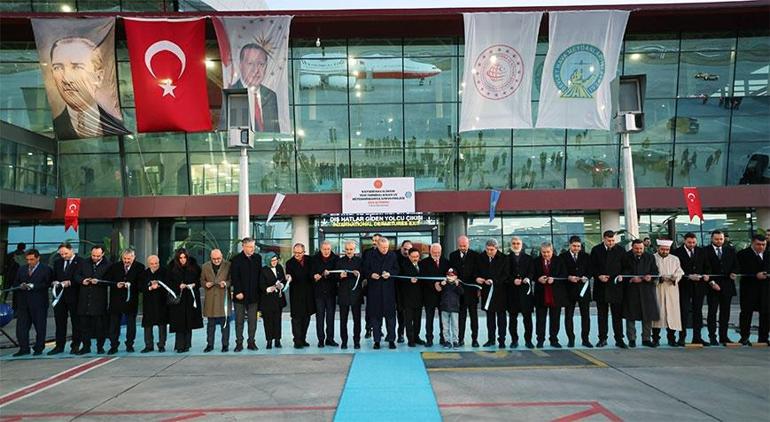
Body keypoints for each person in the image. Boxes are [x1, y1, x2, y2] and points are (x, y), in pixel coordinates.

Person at [49, 37, 127, 139]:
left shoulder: (116, 124)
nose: (66, 79)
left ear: (98, 77)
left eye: (77, 67)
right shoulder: (52, 127)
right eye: (58, 68)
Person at [673, 232, 712, 346]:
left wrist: (706, 275)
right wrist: (688, 276)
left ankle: (697, 337)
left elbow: (707, 266)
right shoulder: (677, 252)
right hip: (684, 286)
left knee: (698, 312)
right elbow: (676, 270)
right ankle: (682, 337)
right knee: (683, 312)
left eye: (694, 242)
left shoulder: (701, 251)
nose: (692, 244)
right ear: (684, 241)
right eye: (689, 242)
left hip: (699, 287)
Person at [12, 249, 52, 357]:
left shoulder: (46, 269)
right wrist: (21, 285)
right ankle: (24, 348)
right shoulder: (22, 269)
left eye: (32, 259)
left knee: (40, 327)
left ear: (38, 258)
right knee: (21, 327)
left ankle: (39, 348)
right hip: (23, 303)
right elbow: (16, 282)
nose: (29, 262)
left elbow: (48, 284)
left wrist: (34, 286)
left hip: (39, 303)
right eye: (27, 260)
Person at [362, 236, 400, 349]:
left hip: (389, 291)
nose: (385, 249)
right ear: (377, 246)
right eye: (383, 247)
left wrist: (390, 274)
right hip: (374, 290)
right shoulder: (369, 255)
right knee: (375, 317)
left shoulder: (392, 255)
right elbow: (364, 269)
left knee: (391, 318)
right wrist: (370, 275)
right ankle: (377, 340)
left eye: (387, 247)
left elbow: (397, 270)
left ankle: (391, 339)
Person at [591, 230, 627, 348]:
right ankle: (602, 339)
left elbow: (626, 267)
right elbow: (592, 267)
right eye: (609, 240)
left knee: (617, 316)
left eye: (613, 240)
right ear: (604, 239)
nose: (611, 243)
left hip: (616, 287)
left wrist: (621, 276)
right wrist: (598, 276)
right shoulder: (596, 250)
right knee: (602, 316)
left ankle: (619, 339)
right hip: (601, 287)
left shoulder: (621, 250)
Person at [231, 43, 279, 132]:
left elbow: (275, 131)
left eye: (261, 64)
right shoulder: (231, 94)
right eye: (250, 63)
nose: (256, 70)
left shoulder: (271, 95)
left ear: (266, 66)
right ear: (240, 65)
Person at [622, 239, 660, 348]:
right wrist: (632, 278)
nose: (639, 251)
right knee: (631, 316)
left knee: (647, 315)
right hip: (631, 289)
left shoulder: (650, 257)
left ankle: (646, 339)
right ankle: (632, 339)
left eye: (641, 249)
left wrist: (649, 277)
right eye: (636, 248)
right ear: (632, 247)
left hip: (646, 289)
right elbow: (623, 271)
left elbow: (655, 272)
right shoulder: (626, 256)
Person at [704, 230, 739, 345]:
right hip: (712, 286)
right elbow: (705, 268)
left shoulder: (730, 250)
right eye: (716, 239)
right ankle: (712, 337)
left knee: (725, 313)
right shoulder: (705, 251)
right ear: (712, 239)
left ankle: (724, 336)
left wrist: (734, 272)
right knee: (712, 313)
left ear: (724, 239)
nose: (719, 241)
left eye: (721, 239)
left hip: (727, 286)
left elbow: (736, 265)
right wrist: (712, 283)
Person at [106, 249, 144, 354]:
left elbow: (141, 284)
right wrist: (116, 284)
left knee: (131, 325)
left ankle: (130, 345)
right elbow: (108, 280)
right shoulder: (115, 267)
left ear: (133, 257)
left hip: (131, 301)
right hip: (116, 301)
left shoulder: (140, 267)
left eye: (129, 259)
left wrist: (131, 285)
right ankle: (113, 346)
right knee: (114, 325)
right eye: (124, 259)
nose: (126, 261)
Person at [49, 242, 83, 355]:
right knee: (60, 322)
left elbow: (82, 278)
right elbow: (53, 276)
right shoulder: (57, 263)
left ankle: (75, 345)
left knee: (76, 322)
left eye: (65, 253)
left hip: (74, 296)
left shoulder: (81, 261)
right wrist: (54, 282)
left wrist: (71, 282)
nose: (64, 256)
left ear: (71, 250)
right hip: (60, 297)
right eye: (61, 254)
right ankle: (59, 346)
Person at [75, 246, 111, 354]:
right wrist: (82, 280)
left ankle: (100, 347)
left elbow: (110, 280)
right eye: (93, 255)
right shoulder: (84, 262)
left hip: (98, 300)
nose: (95, 257)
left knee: (100, 326)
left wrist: (99, 281)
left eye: (98, 256)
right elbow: (76, 275)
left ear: (103, 254)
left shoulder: (108, 265)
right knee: (84, 325)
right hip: (84, 299)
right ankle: (86, 347)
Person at [559, 236, 593, 348]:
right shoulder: (562, 257)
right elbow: (561, 271)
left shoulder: (586, 256)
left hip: (583, 290)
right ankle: (571, 339)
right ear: (569, 245)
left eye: (578, 246)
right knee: (569, 316)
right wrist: (568, 277)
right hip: (569, 290)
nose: (576, 248)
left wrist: (586, 276)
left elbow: (590, 270)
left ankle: (585, 339)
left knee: (585, 316)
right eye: (574, 246)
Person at [533, 242, 568, 348]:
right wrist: (538, 279)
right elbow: (532, 274)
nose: (546, 254)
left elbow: (564, 275)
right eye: (543, 252)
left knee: (555, 319)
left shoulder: (559, 261)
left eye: (548, 252)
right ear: (540, 251)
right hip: (541, 294)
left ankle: (554, 339)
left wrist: (554, 279)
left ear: (552, 251)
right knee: (540, 319)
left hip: (556, 295)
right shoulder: (535, 261)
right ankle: (540, 340)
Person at [167, 248, 203, 353]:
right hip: (178, 298)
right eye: (180, 258)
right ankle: (179, 345)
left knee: (189, 321)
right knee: (179, 322)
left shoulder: (194, 266)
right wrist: (178, 286)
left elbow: (200, 279)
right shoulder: (171, 267)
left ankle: (187, 345)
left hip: (190, 297)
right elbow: (168, 281)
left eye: (184, 257)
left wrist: (194, 284)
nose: (183, 260)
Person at [736, 234, 769, 346]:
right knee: (746, 313)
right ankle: (744, 337)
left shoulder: (768, 254)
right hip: (749, 289)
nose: (761, 247)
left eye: (763, 245)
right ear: (752, 243)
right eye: (758, 244)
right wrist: (755, 275)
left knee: (766, 314)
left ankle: (763, 338)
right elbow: (739, 269)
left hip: (765, 290)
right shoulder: (742, 254)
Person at [475, 239, 509, 349]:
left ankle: (502, 340)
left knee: (501, 318)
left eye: (491, 250)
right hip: (486, 292)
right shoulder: (480, 258)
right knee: (490, 318)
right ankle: (491, 339)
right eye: (487, 249)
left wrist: (494, 281)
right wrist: (478, 278)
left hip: (500, 293)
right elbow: (476, 271)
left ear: (496, 248)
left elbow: (506, 275)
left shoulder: (504, 258)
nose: (489, 252)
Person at [230, 237, 262, 352]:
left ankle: (251, 342)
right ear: (243, 246)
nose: (252, 249)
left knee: (252, 321)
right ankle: (239, 343)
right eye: (249, 247)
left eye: (253, 246)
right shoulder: (236, 260)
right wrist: (238, 292)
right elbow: (234, 277)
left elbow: (260, 276)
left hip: (254, 296)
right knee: (239, 321)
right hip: (240, 296)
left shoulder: (258, 258)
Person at [652, 239, 684, 347]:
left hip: (671, 289)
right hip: (657, 289)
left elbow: (679, 272)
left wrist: (675, 277)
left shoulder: (675, 259)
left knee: (672, 314)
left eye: (667, 250)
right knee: (657, 314)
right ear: (658, 248)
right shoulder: (652, 258)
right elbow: (650, 272)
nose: (665, 251)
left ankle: (671, 339)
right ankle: (655, 339)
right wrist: (659, 278)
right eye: (663, 249)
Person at [450, 235, 479, 347]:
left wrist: (477, 288)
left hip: (472, 291)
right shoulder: (453, 255)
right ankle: (460, 339)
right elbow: (452, 271)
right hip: (459, 291)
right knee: (461, 318)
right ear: (458, 245)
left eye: (465, 245)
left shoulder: (475, 255)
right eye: (461, 246)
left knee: (474, 317)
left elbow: (477, 271)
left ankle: (474, 339)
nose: (463, 247)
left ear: (468, 244)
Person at [201, 249, 231, 353]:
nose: (216, 260)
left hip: (223, 299)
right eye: (214, 259)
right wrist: (206, 284)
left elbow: (232, 280)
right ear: (211, 258)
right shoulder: (205, 266)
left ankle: (225, 345)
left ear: (222, 256)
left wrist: (226, 283)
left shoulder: (228, 265)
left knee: (225, 324)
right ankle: (210, 344)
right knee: (210, 324)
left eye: (218, 258)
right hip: (211, 300)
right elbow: (201, 280)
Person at [507, 236, 535, 349]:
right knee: (512, 319)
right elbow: (505, 274)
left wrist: (527, 278)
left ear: (521, 245)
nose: (516, 245)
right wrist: (513, 280)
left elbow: (532, 272)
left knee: (527, 319)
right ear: (511, 245)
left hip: (525, 294)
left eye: (518, 243)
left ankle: (528, 340)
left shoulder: (529, 258)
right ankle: (514, 340)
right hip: (512, 294)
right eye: (514, 243)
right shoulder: (506, 258)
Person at [335, 240, 364, 349]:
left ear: (355, 250)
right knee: (343, 320)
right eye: (347, 249)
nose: (349, 251)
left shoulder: (360, 261)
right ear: (344, 250)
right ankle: (344, 341)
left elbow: (365, 275)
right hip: (343, 295)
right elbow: (334, 277)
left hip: (356, 294)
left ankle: (357, 341)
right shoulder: (340, 261)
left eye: (351, 249)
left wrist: (358, 274)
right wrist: (339, 276)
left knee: (357, 320)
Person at [285, 243, 315, 348]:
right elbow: (288, 274)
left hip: (308, 293)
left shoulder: (310, 260)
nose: (297, 255)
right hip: (296, 294)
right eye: (295, 253)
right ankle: (297, 341)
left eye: (299, 253)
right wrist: (288, 277)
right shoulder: (289, 263)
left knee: (306, 318)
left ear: (304, 252)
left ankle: (303, 339)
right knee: (296, 318)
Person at [420, 243, 450, 347]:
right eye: (434, 252)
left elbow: (449, 276)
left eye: (438, 252)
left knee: (444, 318)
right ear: (430, 252)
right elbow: (423, 278)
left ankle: (443, 338)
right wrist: (434, 285)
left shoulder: (446, 262)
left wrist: (441, 285)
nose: (436, 254)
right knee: (429, 318)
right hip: (429, 295)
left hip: (443, 295)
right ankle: (429, 339)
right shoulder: (423, 263)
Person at [311, 240, 339, 347]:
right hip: (318, 293)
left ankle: (330, 339)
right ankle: (321, 340)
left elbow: (337, 276)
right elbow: (310, 272)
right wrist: (314, 276)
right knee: (320, 317)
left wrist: (328, 275)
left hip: (331, 293)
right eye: (324, 249)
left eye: (328, 249)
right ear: (320, 249)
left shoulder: (336, 259)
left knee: (330, 318)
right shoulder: (314, 259)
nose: (326, 251)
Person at [139, 255, 169, 353]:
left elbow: (169, 284)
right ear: (148, 264)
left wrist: (159, 285)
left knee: (162, 324)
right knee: (148, 324)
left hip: (161, 302)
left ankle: (161, 345)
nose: (155, 265)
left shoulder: (164, 272)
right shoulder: (144, 273)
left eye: (156, 263)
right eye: (152, 264)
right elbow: (140, 287)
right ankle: (149, 345)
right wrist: (150, 287)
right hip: (148, 303)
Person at [259, 253, 288, 349]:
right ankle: (269, 341)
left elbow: (283, 279)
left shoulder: (279, 267)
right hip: (267, 300)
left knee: (277, 320)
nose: (274, 262)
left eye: (276, 260)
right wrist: (268, 289)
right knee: (268, 321)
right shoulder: (263, 270)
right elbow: (261, 284)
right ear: (268, 260)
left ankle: (277, 340)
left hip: (278, 299)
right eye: (272, 260)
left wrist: (282, 285)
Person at [400, 248, 424, 347]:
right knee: (409, 320)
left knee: (418, 319)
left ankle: (416, 337)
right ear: (409, 256)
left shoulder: (422, 265)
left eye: (417, 257)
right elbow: (399, 279)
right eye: (413, 257)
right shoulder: (403, 266)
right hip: (408, 298)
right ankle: (410, 339)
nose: (415, 259)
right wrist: (409, 280)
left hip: (419, 297)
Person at [361, 233, 382, 339]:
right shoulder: (367, 253)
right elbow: (364, 267)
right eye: (373, 240)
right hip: (370, 285)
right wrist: (368, 276)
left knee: (381, 308)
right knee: (369, 309)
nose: (374, 242)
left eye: (377, 240)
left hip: (382, 285)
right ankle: (368, 329)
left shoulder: (385, 252)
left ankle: (379, 329)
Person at [437, 269, 463, 349]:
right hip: (444, 307)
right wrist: (441, 284)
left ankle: (455, 341)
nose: (450, 277)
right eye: (448, 275)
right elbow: (438, 290)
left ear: (456, 277)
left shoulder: (458, 284)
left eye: (452, 275)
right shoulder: (444, 284)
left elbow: (461, 292)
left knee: (455, 326)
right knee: (445, 326)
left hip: (455, 308)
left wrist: (457, 284)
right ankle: (447, 341)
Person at [396, 240, 413, 344]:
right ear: (401, 248)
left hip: (410, 291)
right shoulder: (395, 256)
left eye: (409, 249)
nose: (407, 251)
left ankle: (413, 336)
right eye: (405, 249)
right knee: (400, 314)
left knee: (411, 315)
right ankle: (400, 334)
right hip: (398, 290)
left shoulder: (413, 257)